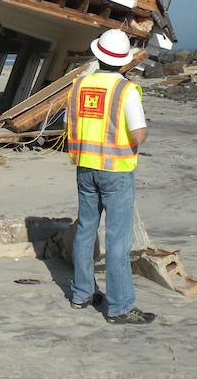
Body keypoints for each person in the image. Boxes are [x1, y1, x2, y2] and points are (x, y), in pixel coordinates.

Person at [65, 28, 155, 325]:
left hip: (85, 168)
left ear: (98, 55)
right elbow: (139, 134)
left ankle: (82, 293)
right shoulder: (125, 90)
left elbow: (70, 122)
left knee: (86, 231)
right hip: (116, 171)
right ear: (124, 60)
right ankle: (120, 307)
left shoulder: (78, 86)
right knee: (117, 240)